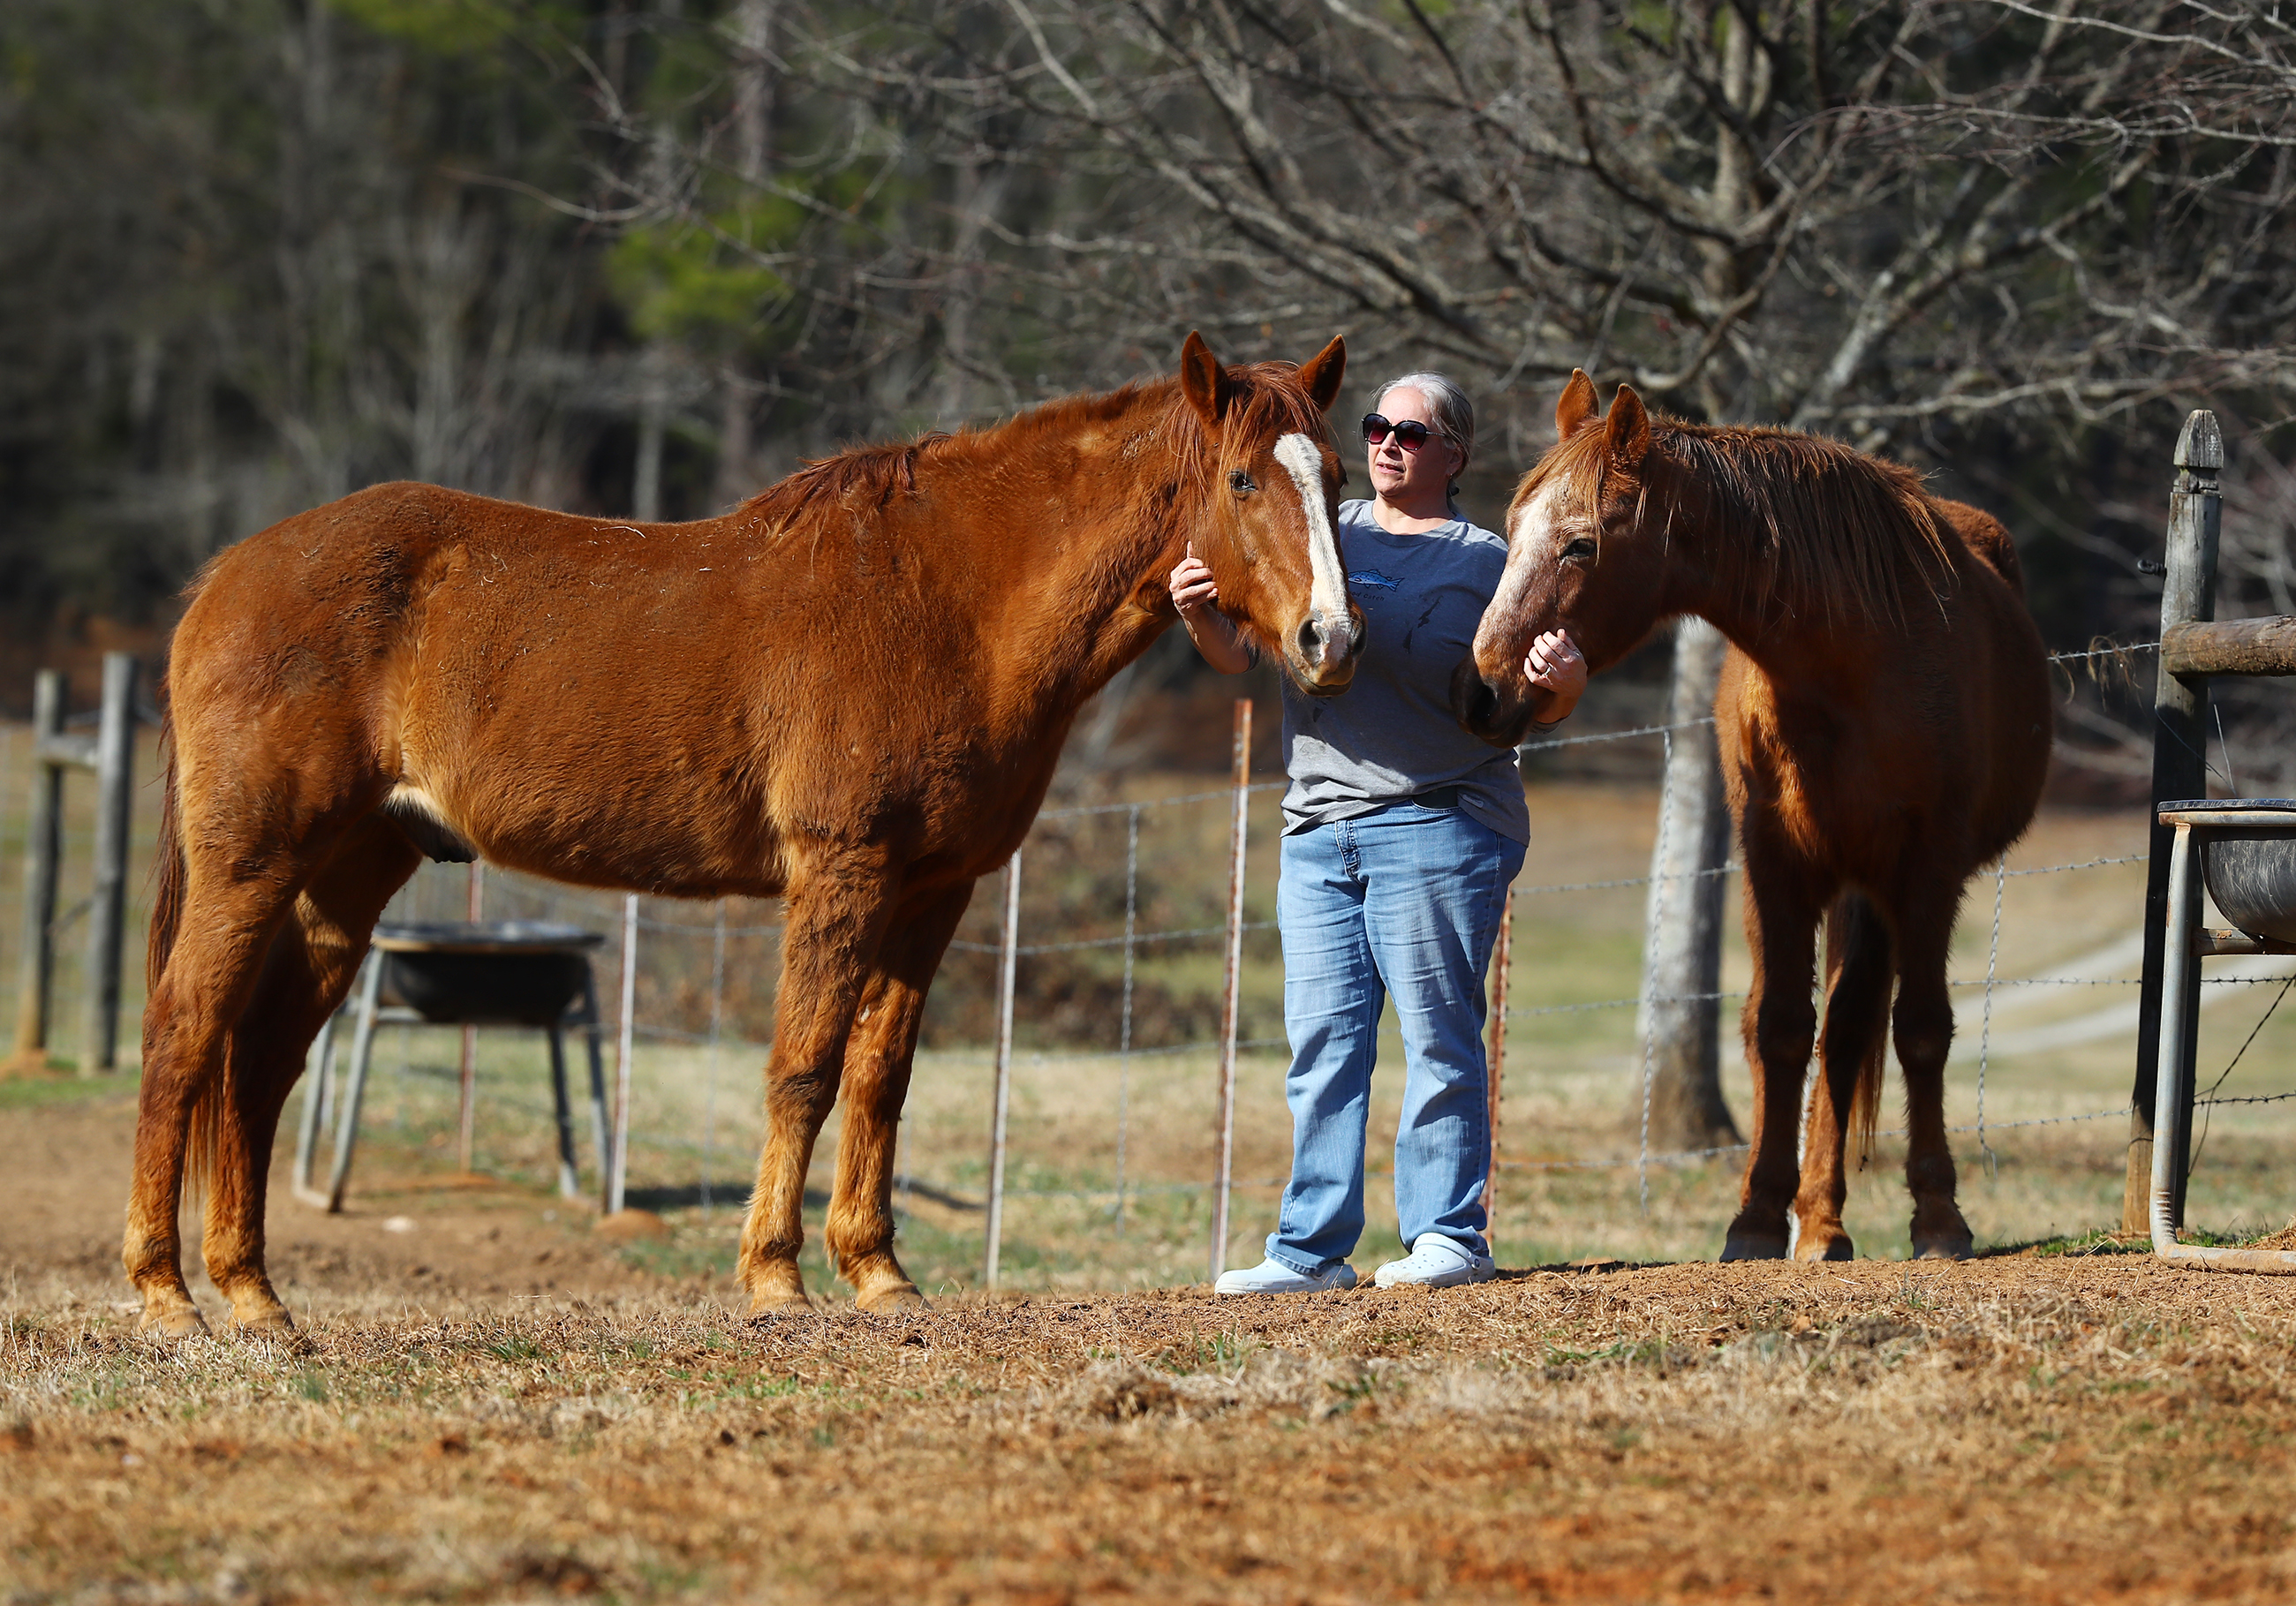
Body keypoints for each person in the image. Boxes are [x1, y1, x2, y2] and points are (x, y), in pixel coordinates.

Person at [1171, 372, 1587, 1293]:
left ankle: (1447, 1235)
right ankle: (1308, 1252)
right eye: (1375, 426)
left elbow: (1531, 700)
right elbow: (1240, 656)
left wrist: (1565, 682)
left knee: (1438, 1035)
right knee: (1323, 1046)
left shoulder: (1487, 558)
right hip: (1316, 829)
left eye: (1411, 430)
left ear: (1454, 453)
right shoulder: (1325, 530)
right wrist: (1199, 610)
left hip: (1437, 822)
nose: (1387, 442)